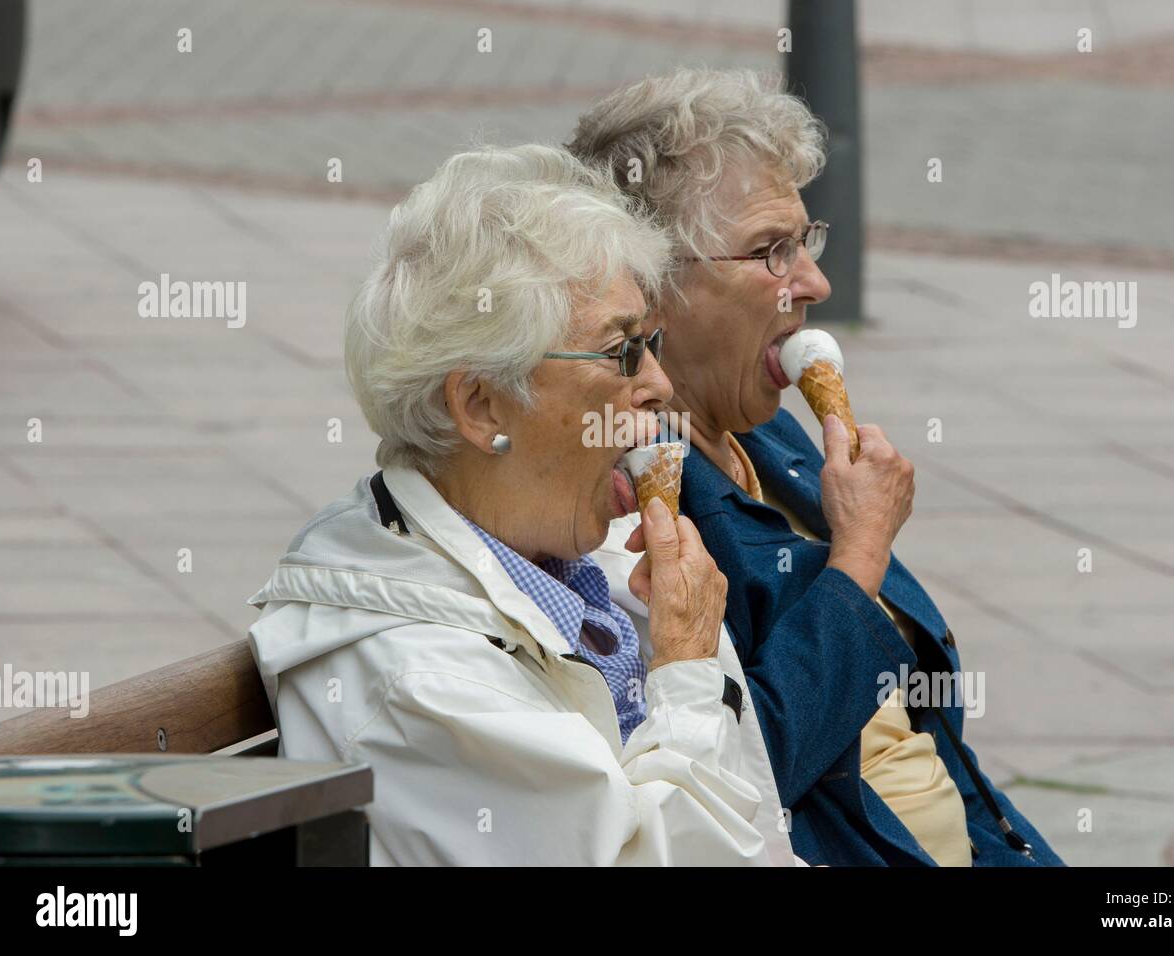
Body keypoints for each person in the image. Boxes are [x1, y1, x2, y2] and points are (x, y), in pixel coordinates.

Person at [247, 144, 795, 865]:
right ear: (481, 406)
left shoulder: (580, 560)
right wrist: (689, 673)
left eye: (650, 342)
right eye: (621, 350)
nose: (660, 383)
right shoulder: (426, 688)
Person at [569, 68, 1063, 866]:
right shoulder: (628, 506)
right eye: (771, 252)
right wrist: (860, 556)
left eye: (806, 241)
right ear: (653, 287)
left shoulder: (776, 443)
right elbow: (740, 771)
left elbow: (923, 731)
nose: (815, 283)